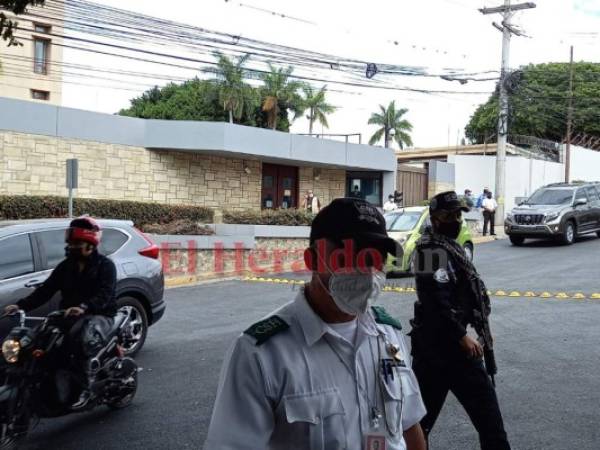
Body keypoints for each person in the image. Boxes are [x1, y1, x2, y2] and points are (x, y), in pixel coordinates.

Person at [204, 198, 427, 450]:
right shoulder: (261, 354)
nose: (363, 270)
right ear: (312, 260)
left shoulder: (388, 335)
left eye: (374, 258)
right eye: (348, 255)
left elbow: (409, 425)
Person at [409, 191, 511, 450]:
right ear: (434, 218)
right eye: (448, 215)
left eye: (458, 215)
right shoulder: (428, 249)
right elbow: (434, 301)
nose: (455, 220)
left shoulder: (452, 248)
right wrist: (460, 335)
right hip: (436, 352)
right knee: (417, 427)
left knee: (491, 424)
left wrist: (481, 328)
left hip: (457, 349)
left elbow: (466, 295)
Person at [3, 217, 117, 410]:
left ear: (90, 245)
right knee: (35, 340)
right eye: (70, 244)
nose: (71, 247)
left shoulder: (106, 266)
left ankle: (84, 389)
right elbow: (45, 291)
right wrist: (20, 305)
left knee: (78, 340)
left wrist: (84, 306)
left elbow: (104, 295)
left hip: (100, 315)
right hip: (68, 315)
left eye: (76, 244)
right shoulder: (66, 266)